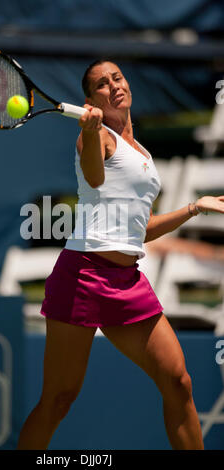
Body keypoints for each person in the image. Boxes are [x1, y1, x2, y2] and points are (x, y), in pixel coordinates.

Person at [17, 60, 224, 450]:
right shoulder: (97, 138)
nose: (113, 86)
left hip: (128, 282)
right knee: (59, 399)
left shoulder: (140, 151)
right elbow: (94, 176)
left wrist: (195, 207)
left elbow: (138, 232)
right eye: (101, 84)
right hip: (82, 276)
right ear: (90, 99)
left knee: (179, 382)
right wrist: (91, 133)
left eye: (117, 78)